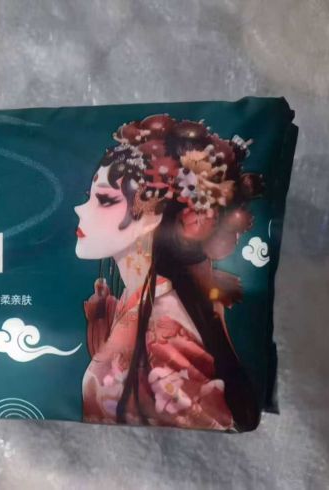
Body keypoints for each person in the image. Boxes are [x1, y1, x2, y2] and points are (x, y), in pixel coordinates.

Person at [75, 115, 262, 431]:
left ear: (152, 216)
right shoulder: (139, 300)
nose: (80, 210)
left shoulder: (163, 331)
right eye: (90, 196)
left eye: (104, 199)